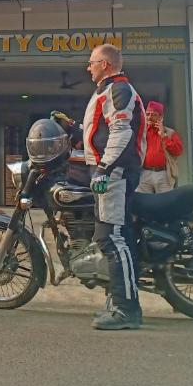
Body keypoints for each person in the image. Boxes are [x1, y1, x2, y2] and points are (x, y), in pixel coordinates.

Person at [81, 43, 146, 330]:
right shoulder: (108, 90)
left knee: (112, 237)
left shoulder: (118, 89)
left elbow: (122, 131)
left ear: (105, 64)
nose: (88, 67)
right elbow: (102, 131)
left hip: (115, 171)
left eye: (92, 62)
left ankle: (126, 309)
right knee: (115, 236)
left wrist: (105, 169)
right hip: (113, 169)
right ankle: (119, 302)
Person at [138, 100, 183, 194]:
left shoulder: (170, 133)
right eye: (147, 114)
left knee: (165, 203)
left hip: (164, 174)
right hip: (144, 173)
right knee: (143, 203)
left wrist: (164, 136)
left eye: (153, 115)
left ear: (161, 117)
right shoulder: (142, 132)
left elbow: (178, 152)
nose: (149, 117)